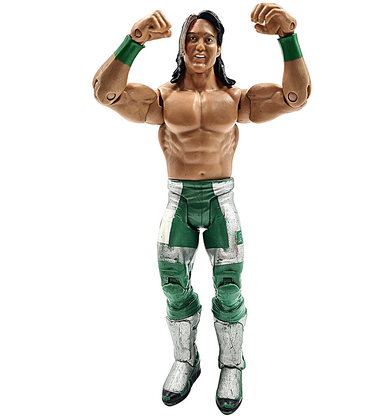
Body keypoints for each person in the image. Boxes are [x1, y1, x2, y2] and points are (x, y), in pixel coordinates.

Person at [93, 3, 311, 414]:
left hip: (220, 200)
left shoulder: (234, 99)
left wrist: (288, 37)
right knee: (173, 286)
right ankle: (185, 360)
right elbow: (107, 94)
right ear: (181, 45)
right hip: (178, 200)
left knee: (229, 288)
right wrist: (134, 40)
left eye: (208, 38)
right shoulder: (163, 99)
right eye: (192, 37)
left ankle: (232, 364)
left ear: (219, 46)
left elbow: (294, 98)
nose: (199, 45)